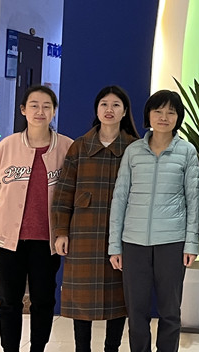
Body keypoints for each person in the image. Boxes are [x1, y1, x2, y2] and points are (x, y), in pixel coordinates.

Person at [108, 90, 199, 352]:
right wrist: (115, 245)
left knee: (170, 311)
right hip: (134, 242)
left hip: (172, 242)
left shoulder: (187, 152)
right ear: (148, 115)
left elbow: (193, 200)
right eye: (158, 111)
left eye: (171, 112)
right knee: (136, 312)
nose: (164, 117)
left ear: (178, 117)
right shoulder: (133, 151)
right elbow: (120, 198)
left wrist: (191, 243)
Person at [52, 85, 140, 352]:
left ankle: (112, 348)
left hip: (122, 233)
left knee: (119, 296)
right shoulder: (79, 146)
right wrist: (61, 231)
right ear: (97, 109)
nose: (109, 110)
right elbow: (64, 191)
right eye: (104, 104)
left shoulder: (135, 148)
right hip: (84, 233)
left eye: (115, 105)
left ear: (124, 111)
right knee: (82, 296)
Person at [0, 84, 73, 352]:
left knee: (43, 301)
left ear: (54, 111)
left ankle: (38, 348)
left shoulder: (67, 147)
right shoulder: (8, 145)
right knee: (9, 301)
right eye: (34, 105)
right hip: (8, 239)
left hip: (46, 241)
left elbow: (72, 191)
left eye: (47, 106)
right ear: (23, 110)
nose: (40, 111)